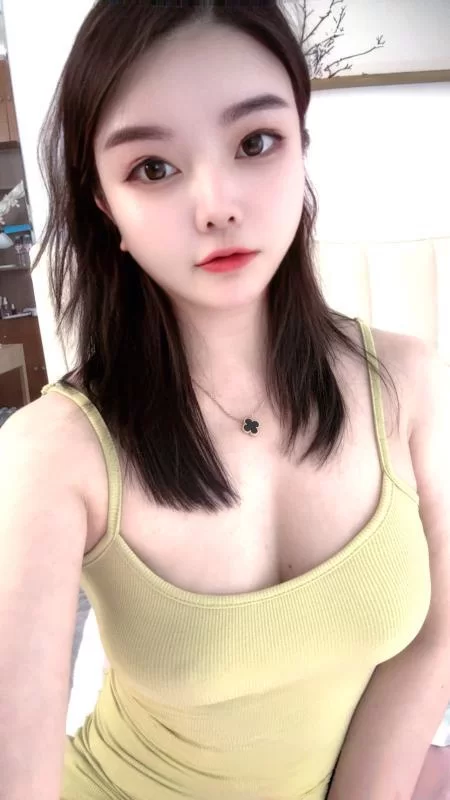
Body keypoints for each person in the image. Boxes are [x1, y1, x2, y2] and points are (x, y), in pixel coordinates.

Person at [1, 1, 450, 799]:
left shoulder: (406, 380)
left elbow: (436, 636)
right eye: (153, 168)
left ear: (301, 148)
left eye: (255, 142)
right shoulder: (53, 450)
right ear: (107, 209)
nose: (215, 204)